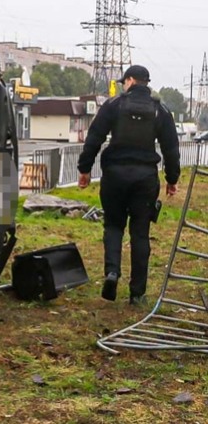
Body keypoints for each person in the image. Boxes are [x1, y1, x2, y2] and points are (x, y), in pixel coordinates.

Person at [77, 64, 180, 306]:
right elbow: (171, 149)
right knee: (140, 233)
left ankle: (112, 272)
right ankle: (137, 293)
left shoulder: (114, 105)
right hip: (145, 179)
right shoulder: (160, 110)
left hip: (114, 176)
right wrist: (171, 179)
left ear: (131, 81)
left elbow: (94, 137)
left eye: (125, 82)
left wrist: (84, 169)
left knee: (113, 226)